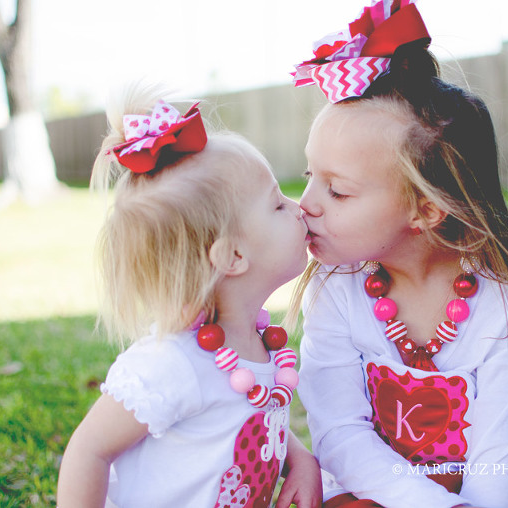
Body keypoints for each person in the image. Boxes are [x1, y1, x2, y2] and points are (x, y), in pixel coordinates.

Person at [289, 1, 508, 507]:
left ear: (427, 210)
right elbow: (340, 435)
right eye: (308, 178)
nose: (306, 206)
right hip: (370, 493)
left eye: (337, 191)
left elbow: (501, 463)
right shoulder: (335, 289)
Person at [57, 84, 321, 508]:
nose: (298, 208)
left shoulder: (252, 344)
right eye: (276, 204)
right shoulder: (172, 364)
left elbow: (251, 412)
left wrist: (300, 459)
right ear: (233, 255)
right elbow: (90, 448)